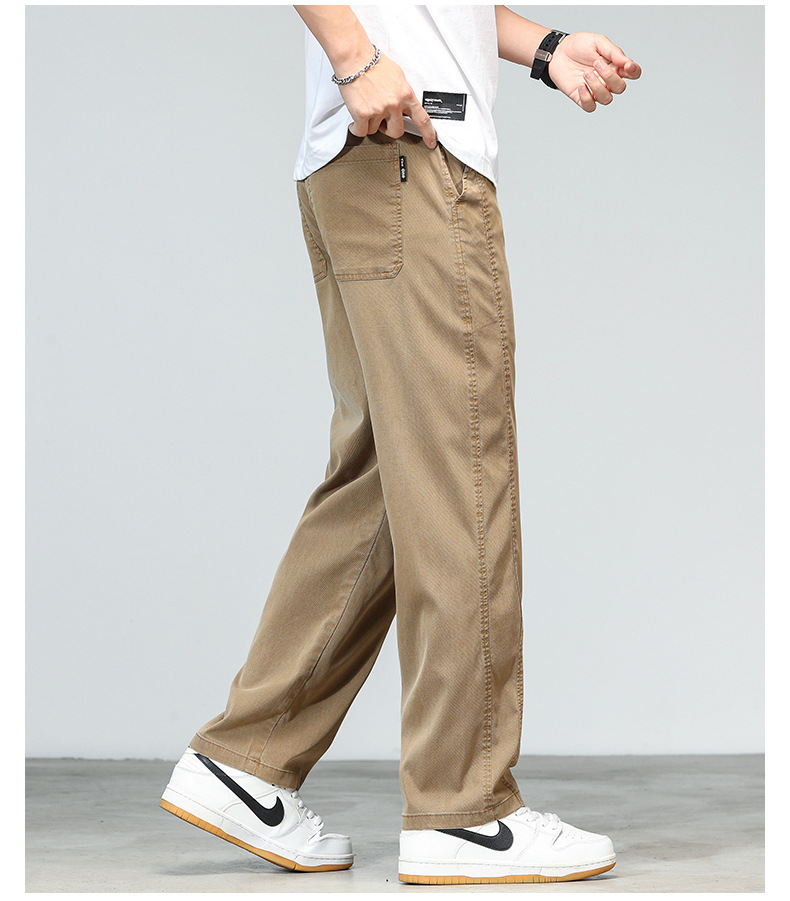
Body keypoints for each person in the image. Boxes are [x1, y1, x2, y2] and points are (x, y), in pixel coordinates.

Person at [160, 4, 641, 885]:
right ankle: (465, 808)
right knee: (462, 476)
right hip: (410, 150)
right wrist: (354, 56)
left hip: (366, 162)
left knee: (387, 479)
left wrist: (544, 48)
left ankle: (246, 759)